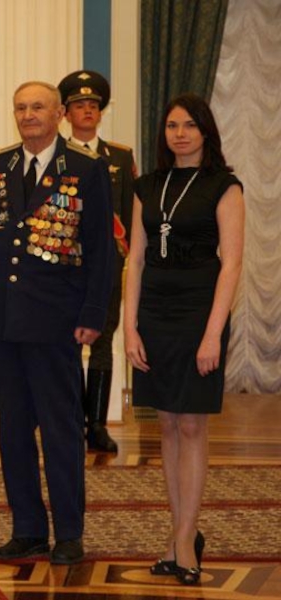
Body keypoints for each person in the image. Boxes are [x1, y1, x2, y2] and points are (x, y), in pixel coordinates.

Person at [0, 82, 113, 565]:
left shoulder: (86, 168)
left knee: (60, 429)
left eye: (38, 107)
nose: (28, 115)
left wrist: (94, 314)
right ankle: (27, 528)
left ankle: (68, 532)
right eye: (21, 108)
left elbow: (101, 250)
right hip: (3, 317)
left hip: (56, 320)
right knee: (12, 430)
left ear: (60, 113)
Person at [124, 94, 244, 585]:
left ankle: (186, 538)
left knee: (192, 425)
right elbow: (135, 259)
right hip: (153, 311)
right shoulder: (146, 186)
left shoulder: (225, 186)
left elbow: (231, 264)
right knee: (167, 425)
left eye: (190, 125)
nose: (180, 134)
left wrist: (213, 333)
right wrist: (129, 326)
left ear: (205, 132)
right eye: (172, 125)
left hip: (199, 310)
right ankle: (180, 536)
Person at [58, 70, 138, 453]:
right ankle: (73, 422)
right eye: (79, 105)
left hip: (106, 265)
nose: (87, 110)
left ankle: (98, 425)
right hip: (66, 268)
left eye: (93, 105)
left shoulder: (119, 157)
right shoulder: (57, 155)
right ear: (66, 113)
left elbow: (131, 213)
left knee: (103, 343)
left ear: (101, 112)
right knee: (69, 345)